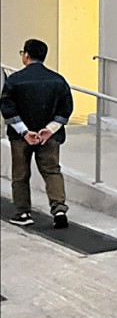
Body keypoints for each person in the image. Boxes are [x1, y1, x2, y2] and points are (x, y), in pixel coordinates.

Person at [1, 39, 73, 228]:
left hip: (20, 137)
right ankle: (58, 209)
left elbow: (7, 108)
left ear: (26, 55)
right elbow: (66, 109)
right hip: (50, 137)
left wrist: (24, 132)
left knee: (21, 174)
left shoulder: (15, 80)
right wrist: (49, 129)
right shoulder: (58, 80)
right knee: (52, 171)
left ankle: (23, 213)